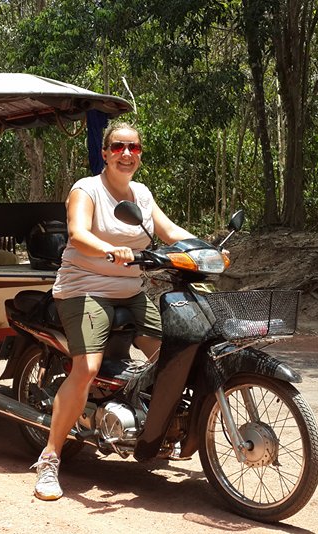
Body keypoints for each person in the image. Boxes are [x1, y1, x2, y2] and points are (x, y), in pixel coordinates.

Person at [31, 121, 195, 501]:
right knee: (86, 368)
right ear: (104, 153)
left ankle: (146, 418)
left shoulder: (141, 194)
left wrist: (204, 248)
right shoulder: (86, 189)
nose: (126, 154)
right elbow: (77, 233)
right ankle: (50, 458)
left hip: (130, 290)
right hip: (83, 288)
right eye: (118, 146)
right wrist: (111, 250)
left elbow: (169, 231)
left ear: (139, 154)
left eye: (133, 148)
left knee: (176, 353)